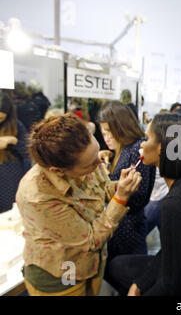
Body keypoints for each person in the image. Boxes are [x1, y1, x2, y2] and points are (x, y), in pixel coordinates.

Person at [15, 114, 142, 296]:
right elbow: (90, 241)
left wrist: (117, 187)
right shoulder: (38, 196)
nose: (100, 163)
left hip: (91, 265)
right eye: (91, 164)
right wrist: (120, 198)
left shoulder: (85, 156)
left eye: (97, 152)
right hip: (61, 276)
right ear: (58, 171)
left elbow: (101, 188)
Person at [107, 113, 181, 296]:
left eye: (147, 139)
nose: (142, 144)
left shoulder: (175, 203)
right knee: (116, 266)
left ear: (161, 147)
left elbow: (172, 285)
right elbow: (171, 251)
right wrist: (140, 284)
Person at [97, 101, 156, 263]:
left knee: (128, 276)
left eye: (110, 132)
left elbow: (137, 197)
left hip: (129, 229)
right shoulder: (123, 149)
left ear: (121, 127)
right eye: (103, 133)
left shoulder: (136, 151)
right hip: (121, 226)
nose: (107, 137)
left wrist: (106, 178)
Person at [0, 92, 31, 213]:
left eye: (1, 118)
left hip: (10, 179)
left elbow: (28, 152)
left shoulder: (16, 126)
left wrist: (13, 141)